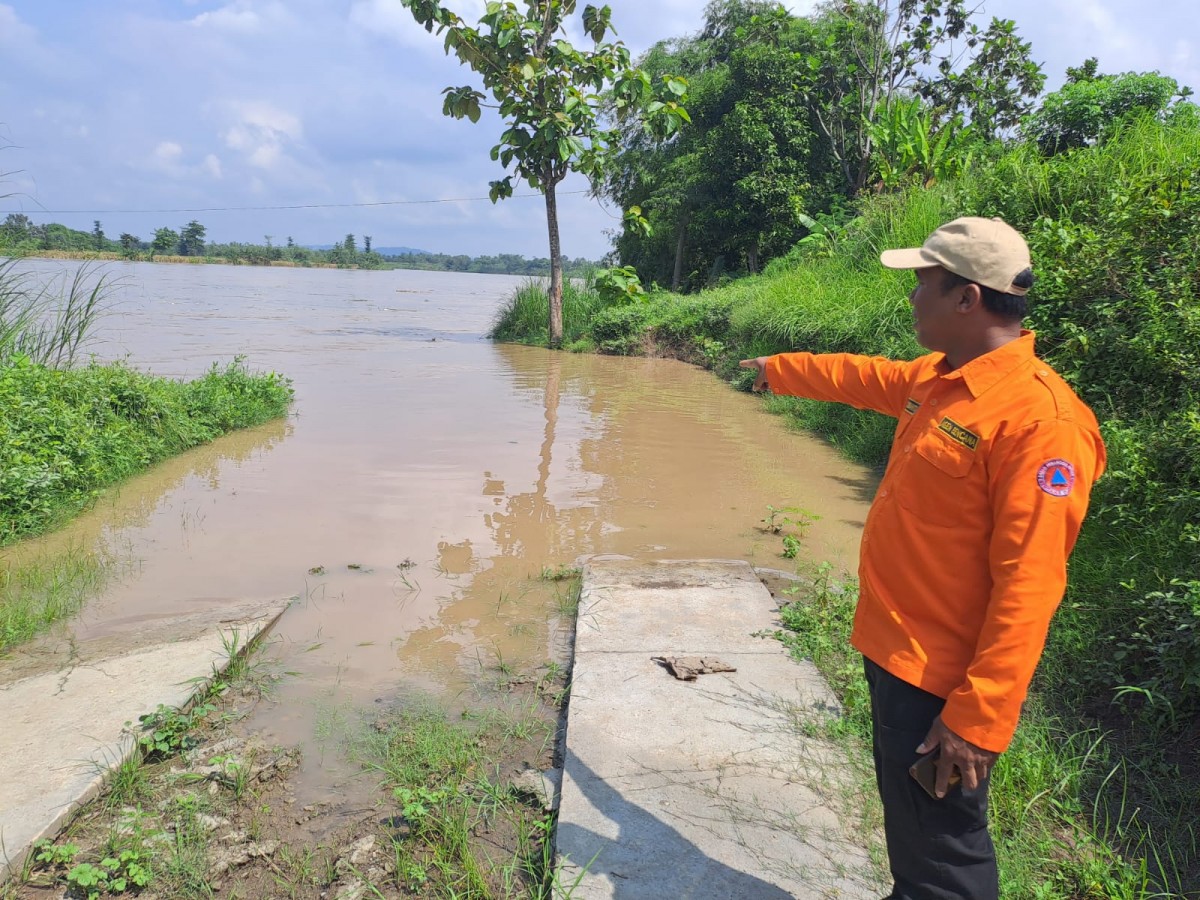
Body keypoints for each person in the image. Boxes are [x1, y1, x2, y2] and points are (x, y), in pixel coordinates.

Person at [739, 217, 1106, 900]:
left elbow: (1030, 585)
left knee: (946, 862)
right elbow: (863, 378)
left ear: (967, 299)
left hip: (944, 682)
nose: (911, 299)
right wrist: (779, 370)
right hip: (896, 653)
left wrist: (978, 717)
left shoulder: (1040, 422)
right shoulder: (941, 380)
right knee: (912, 831)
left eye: (922, 286)